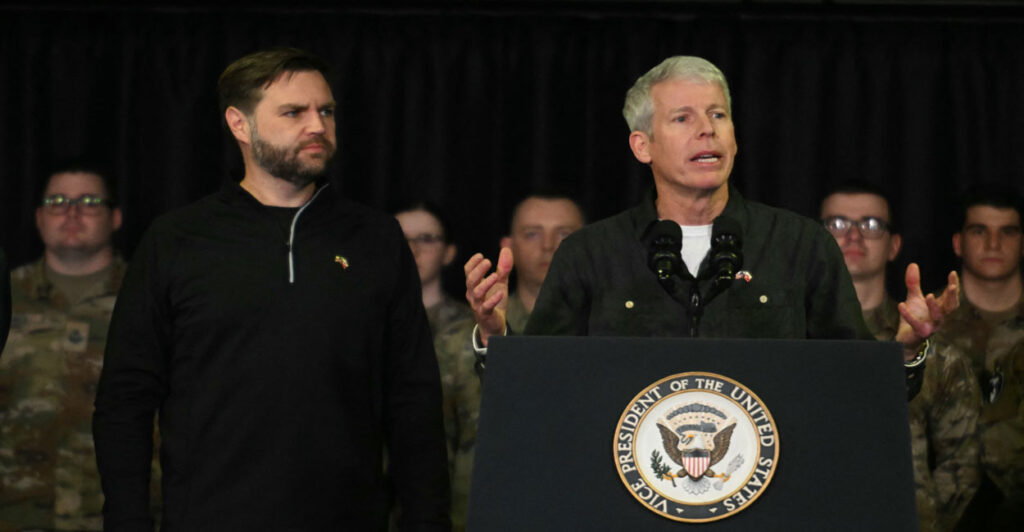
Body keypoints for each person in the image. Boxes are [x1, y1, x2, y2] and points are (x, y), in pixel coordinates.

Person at [92, 48, 449, 532]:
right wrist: (127, 521)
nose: (317, 126)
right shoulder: (176, 240)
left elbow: (414, 398)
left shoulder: (376, 239)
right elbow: (126, 398)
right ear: (240, 125)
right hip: (208, 518)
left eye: (325, 111)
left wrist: (427, 520)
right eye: (293, 112)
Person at [466, 56, 956, 366]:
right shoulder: (590, 254)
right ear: (643, 146)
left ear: (735, 137)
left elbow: (853, 388)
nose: (708, 129)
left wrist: (907, 351)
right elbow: (540, 387)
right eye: (683, 118)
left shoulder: (799, 245)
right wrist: (496, 338)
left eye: (718, 115)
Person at [820, 182, 981, 530]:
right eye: (837, 224)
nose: (853, 236)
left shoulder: (937, 351)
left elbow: (963, 463)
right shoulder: (791, 339)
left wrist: (923, 521)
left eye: (871, 225)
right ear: (815, 240)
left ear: (894, 246)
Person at [0, 164, 140, 530]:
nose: (72, 212)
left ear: (116, 217)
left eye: (90, 201)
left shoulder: (150, 299)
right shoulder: (7, 295)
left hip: (123, 517)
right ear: (38, 217)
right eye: (57, 201)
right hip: (17, 516)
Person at [933, 184, 1024, 530]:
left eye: (1008, 232)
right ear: (958, 243)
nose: (993, 244)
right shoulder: (927, 323)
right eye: (979, 231)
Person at [395, 202, 476, 531]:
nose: (412, 249)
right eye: (400, 239)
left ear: (448, 252)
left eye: (426, 239)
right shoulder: (354, 326)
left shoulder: (475, 328)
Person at [497, 194, 585, 332]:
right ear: (508, 247)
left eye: (564, 234)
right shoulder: (476, 332)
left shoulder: (608, 327)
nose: (548, 245)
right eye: (532, 234)